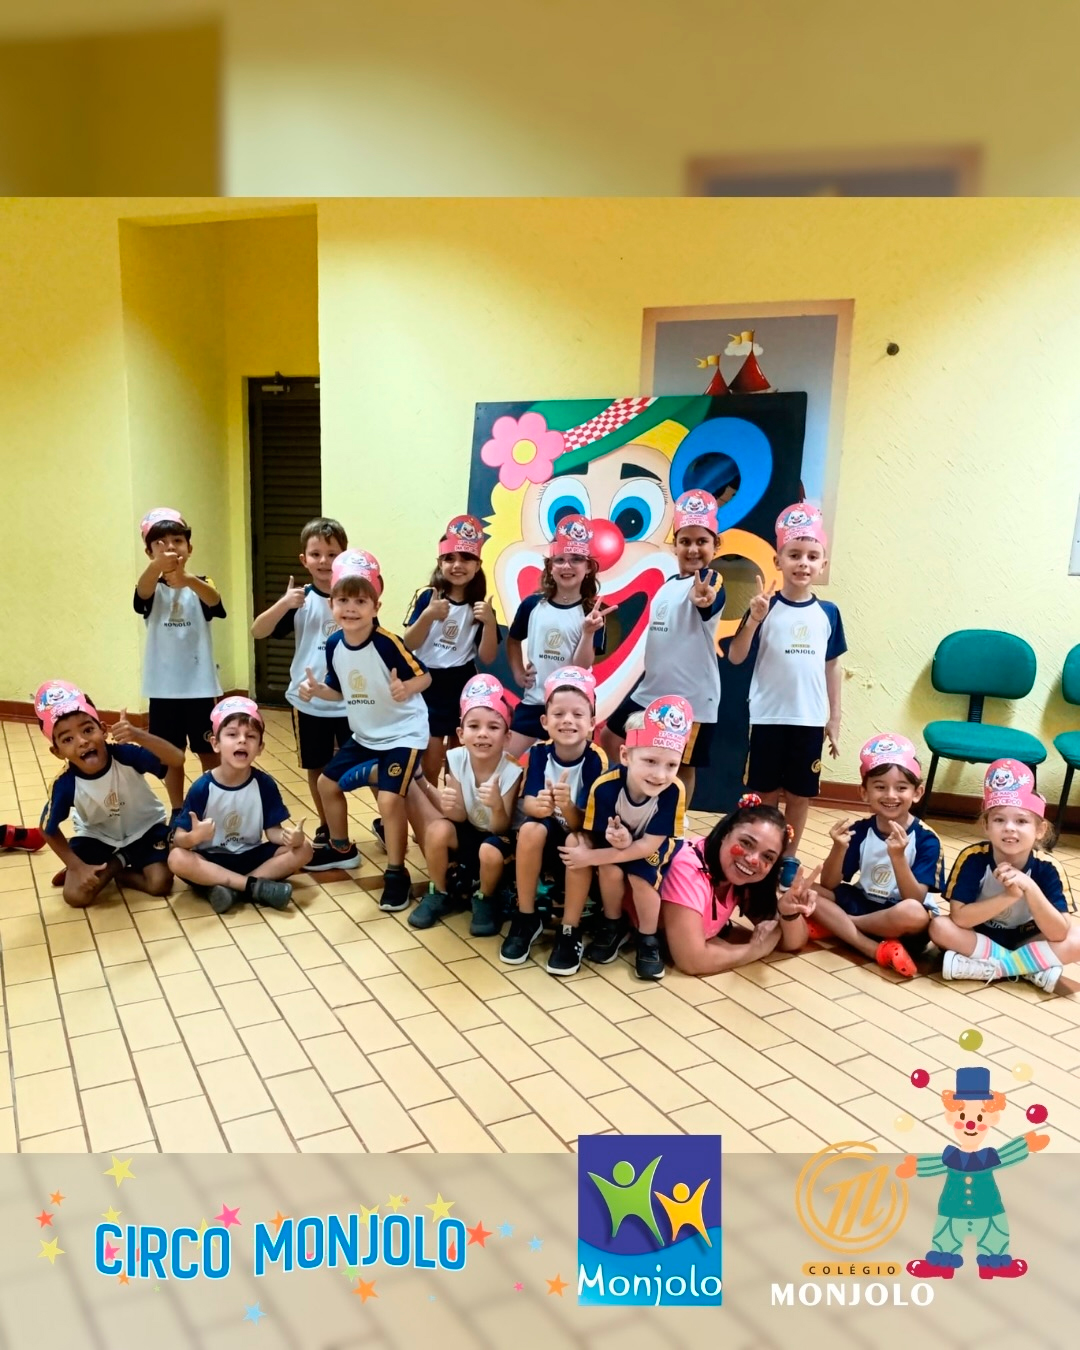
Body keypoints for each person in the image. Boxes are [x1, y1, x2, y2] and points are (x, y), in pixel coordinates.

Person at [298, 549, 431, 911]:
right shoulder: (334, 644)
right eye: (343, 600)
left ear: (375, 607)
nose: (351, 608)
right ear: (332, 605)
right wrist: (317, 690)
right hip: (366, 736)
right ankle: (341, 847)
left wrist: (406, 688)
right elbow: (338, 690)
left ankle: (396, 873)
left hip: (404, 733)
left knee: (389, 799)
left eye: (360, 601)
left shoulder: (387, 643)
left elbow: (425, 677)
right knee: (326, 784)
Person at [727, 501, 846, 886]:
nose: (803, 563)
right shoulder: (764, 607)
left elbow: (833, 667)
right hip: (768, 717)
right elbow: (736, 656)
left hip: (808, 720)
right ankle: (763, 852)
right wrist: (753, 619)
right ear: (778, 560)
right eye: (794, 555)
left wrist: (834, 718)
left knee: (799, 794)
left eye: (812, 556)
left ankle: (788, 857)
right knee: (764, 793)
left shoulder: (829, 613)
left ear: (823, 564)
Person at [555, 696, 691, 981]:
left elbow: (649, 845)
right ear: (626, 756)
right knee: (609, 869)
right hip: (622, 845)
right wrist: (614, 837)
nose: (660, 774)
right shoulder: (604, 787)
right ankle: (612, 924)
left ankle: (648, 938)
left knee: (641, 876)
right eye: (650, 761)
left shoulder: (674, 790)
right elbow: (595, 833)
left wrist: (590, 857)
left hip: (655, 843)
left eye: (671, 765)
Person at [602, 490, 725, 801]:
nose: (693, 549)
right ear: (675, 545)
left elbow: (706, 598)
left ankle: (675, 821)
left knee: (683, 765)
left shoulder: (711, 580)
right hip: (652, 690)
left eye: (702, 541)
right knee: (611, 736)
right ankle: (631, 801)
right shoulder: (668, 585)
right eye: (686, 541)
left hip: (692, 698)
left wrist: (703, 598)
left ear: (715, 545)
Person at [930, 759, 1078, 993]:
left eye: (1021, 821)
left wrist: (1030, 887)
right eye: (999, 819)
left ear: (1040, 830)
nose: (1009, 827)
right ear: (986, 826)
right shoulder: (972, 858)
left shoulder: (1048, 868)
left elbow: (1058, 932)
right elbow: (960, 919)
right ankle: (1029, 968)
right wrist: (1009, 896)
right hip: (980, 937)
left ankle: (991, 968)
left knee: (1077, 937)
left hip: (1028, 940)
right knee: (939, 927)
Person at [37, 681, 184, 908]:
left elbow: (177, 759)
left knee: (160, 883)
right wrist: (77, 866)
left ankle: (114, 869)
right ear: (57, 752)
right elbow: (46, 828)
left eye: (88, 730)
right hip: (97, 837)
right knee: (75, 896)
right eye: (67, 739)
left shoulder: (126, 755)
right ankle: (117, 862)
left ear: (103, 730)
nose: (82, 741)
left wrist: (138, 735)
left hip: (145, 829)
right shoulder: (65, 783)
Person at [251, 517, 351, 845]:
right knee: (316, 766)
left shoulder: (354, 596)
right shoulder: (300, 600)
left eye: (332, 554)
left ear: (344, 556)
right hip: (309, 701)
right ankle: (327, 825)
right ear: (303, 559)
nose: (324, 561)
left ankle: (380, 820)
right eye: (316, 554)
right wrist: (284, 603)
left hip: (350, 700)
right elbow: (258, 631)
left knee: (363, 764)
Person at [810, 733, 943, 977]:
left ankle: (841, 926)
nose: (891, 795)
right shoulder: (860, 830)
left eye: (901, 788)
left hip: (901, 921)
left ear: (917, 792)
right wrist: (838, 848)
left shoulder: (927, 839)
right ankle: (870, 944)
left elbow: (914, 898)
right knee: (806, 889)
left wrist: (898, 857)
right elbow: (829, 884)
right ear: (864, 792)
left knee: (913, 912)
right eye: (880, 787)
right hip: (865, 902)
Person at [500, 665, 607, 965]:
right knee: (530, 829)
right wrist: (543, 806)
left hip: (582, 840)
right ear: (545, 721)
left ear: (591, 723)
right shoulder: (539, 753)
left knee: (576, 841)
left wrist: (567, 805)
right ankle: (526, 916)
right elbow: (528, 804)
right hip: (548, 839)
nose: (568, 720)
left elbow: (585, 825)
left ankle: (569, 929)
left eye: (577, 714)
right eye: (559, 714)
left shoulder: (595, 759)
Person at [900, 1066, 1048, 1281]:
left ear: (991, 1119)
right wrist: (915, 1166)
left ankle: (993, 1264)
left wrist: (1026, 1144)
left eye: (979, 1117)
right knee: (946, 1235)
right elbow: (936, 1164)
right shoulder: (951, 1157)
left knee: (994, 1234)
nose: (971, 1124)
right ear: (951, 1117)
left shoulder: (988, 1157)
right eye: (963, 1116)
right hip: (953, 1209)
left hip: (987, 1209)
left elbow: (1006, 1155)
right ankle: (942, 1264)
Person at [168, 696, 312, 913]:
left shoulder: (264, 784)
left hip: (250, 855)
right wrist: (194, 837)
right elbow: (179, 840)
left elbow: (273, 831)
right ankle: (252, 887)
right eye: (232, 734)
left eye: (251, 736)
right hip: (212, 859)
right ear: (215, 744)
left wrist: (290, 838)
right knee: (177, 858)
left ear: (260, 747)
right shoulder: (202, 787)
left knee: (305, 849)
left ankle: (229, 888)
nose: (242, 740)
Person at [411, 674, 523, 935]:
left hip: (497, 838)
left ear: (507, 737)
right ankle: (438, 892)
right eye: (474, 726)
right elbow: (459, 817)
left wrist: (497, 805)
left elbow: (501, 828)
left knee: (489, 850)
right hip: (469, 830)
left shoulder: (512, 770)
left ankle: (485, 897)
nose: (482, 734)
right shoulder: (455, 757)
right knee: (437, 829)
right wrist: (450, 806)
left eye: (493, 727)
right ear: (461, 734)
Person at [659, 794, 818, 975]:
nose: (752, 860)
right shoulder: (688, 867)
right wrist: (755, 950)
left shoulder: (746, 878)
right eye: (746, 843)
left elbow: (794, 942)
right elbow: (691, 961)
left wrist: (788, 913)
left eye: (767, 856)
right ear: (725, 833)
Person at [133, 506, 226, 812]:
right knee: (170, 754)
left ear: (189, 547)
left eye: (177, 540)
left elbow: (214, 600)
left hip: (200, 687)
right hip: (163, 690)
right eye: (160, 543)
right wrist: (157, 568)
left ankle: (213, 804)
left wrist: (186, 579)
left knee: (208, 750)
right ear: (149, 552)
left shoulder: (201, 583)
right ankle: (177, 808)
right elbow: (142, 592)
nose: (170, 547)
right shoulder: (151, 587)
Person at [403, 514, 499, 785]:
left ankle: (456, 803)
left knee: (460, 757)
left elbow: (488, 657)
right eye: (450, 558)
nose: (457, 565)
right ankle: (431, 807)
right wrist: (428, 616)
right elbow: (409, 643)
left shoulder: (480, 606)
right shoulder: (427, 596)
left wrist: (489, 623)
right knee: (431, 758)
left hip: (462, 682)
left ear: (477, 564)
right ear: (440, 563)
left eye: (466, 558)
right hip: (428, 682)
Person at [506, 515, 611, 758]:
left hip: (574, 707)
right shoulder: (532, 605)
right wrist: (518, 672)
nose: (567, 566)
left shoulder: (593, 612)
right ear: (550, 567)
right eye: (560, 560)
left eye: (576, 559)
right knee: (504, 761)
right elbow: (513, 640)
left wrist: (588, 632)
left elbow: (581, 668)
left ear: (588, 568)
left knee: (572, 767)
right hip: (535, 701)